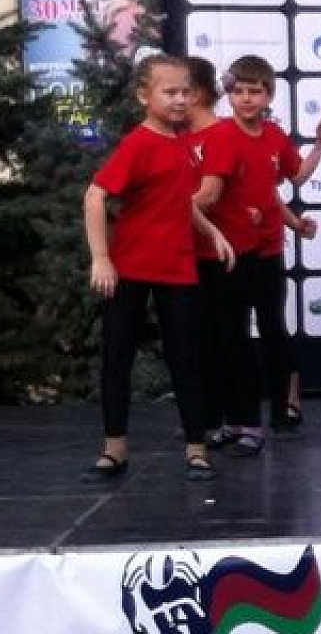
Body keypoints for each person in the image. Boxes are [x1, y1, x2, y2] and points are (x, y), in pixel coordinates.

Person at [81, 53, 234, 483]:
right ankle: (114, 450)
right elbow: (95, 195)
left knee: (187, 358)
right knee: (117, 357)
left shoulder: (183, 143)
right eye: (170, 92)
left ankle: (196, 450)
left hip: (177, 267)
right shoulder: (139, 143)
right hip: (130, 266)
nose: (180, 100)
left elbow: (180, 201)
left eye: (186, 92)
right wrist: (101, 257)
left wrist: (212, 233)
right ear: (144, 96)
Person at [195, 55, 321, 456]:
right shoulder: (222, 135)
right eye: (239, 91)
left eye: (255, 92)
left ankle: (282, 410)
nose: (246, 99)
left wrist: (320, 147)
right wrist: (171, 206)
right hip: (232, 251)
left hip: (267, 248)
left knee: (272, 329)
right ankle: (240, 421)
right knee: (232, 335)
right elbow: (211, 195)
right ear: (228, 95)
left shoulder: (273, 135)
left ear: (269, 96)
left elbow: (287, 181)